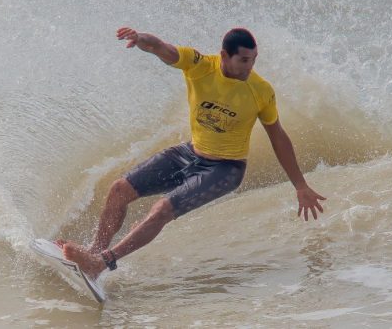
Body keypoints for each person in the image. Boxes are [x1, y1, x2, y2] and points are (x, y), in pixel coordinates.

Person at [59, 27, 326, 279]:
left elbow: (277, 136)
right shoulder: (200, 66)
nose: (250, 67)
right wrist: (141, 39)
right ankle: (93, 252)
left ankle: (101, 263)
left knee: (162, 209)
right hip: (190, 153)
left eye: (254, 60)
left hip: (225, 168)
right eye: (244, 60)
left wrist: (300, 185)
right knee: (119, 189)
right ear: (224, 55)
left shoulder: (261, 91)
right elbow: (162, 48)